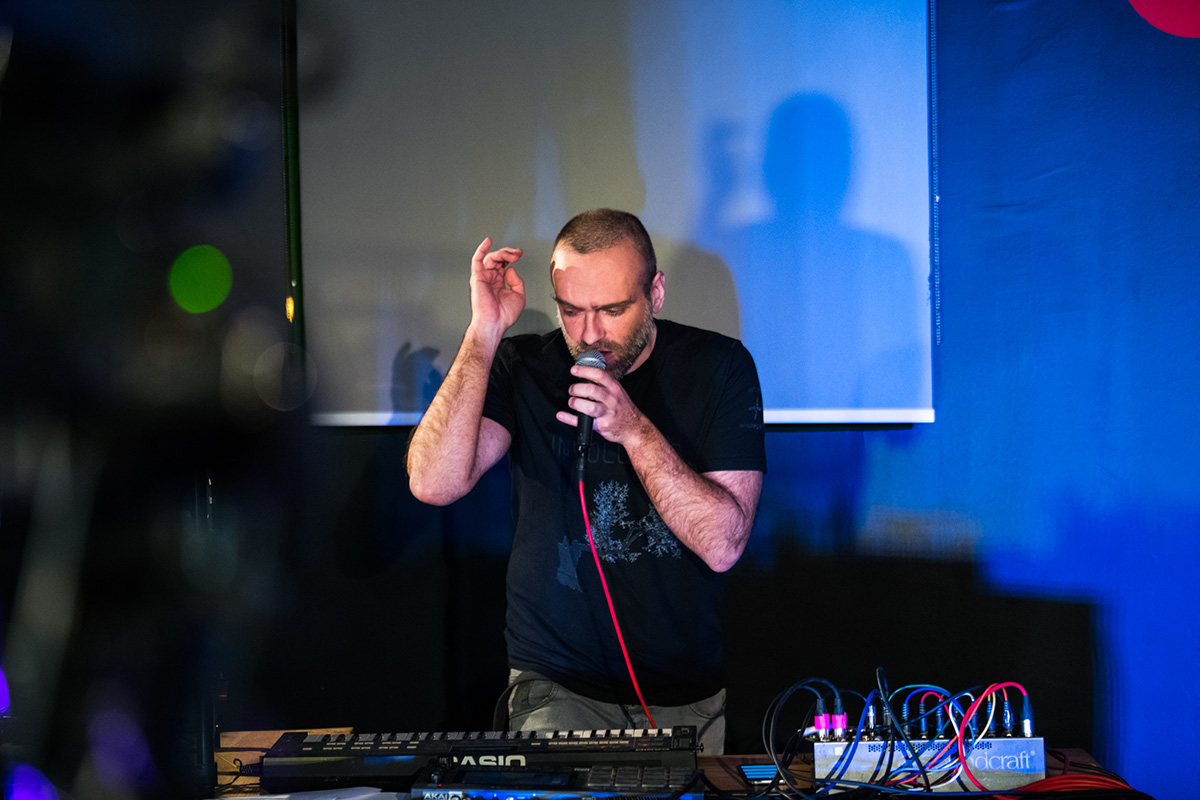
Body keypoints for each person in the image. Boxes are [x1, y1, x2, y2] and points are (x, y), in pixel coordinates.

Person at [406, 209, 765, 753]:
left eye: (612, 310)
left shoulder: (720, 368)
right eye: (571, 310)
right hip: (556, 686)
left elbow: (722, 545)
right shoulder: (524, 365)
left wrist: (633, 430)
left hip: (683, 694)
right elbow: (433, 483)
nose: (590, 333)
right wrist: (484, 330)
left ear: (655, 293)